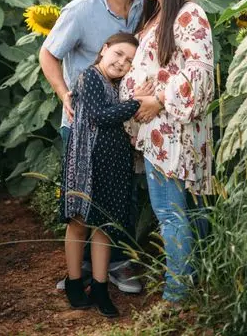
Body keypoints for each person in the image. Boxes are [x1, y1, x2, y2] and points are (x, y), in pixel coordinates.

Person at [39, 0, 145, 294]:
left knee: (118, 193)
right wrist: (64, 94)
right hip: (85, 123)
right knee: (83, 198)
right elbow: (48, 54)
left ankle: (113, 265)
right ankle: (80, 270)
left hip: (125, 122)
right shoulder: (81, 11)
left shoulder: (143, 2)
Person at [119, 0, 215, 303]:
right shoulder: (160, 14)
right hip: (158, 130)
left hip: (172, 131)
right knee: (182, 209)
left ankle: (178, 293)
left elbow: (199, 78)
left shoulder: (189, 16)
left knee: (171, 212)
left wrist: (157, 98)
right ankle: (197, 281)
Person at [59, 33, 154, 317]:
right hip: (86, 165)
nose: (122, 62)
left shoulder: (115, 85)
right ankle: (75, 283)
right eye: (118, 54)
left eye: (129, 61)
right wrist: (138, 102)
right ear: (104, 49)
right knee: (79, 223)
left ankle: (100, 287)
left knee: (104, 227)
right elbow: (100, 116)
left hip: (111, 165)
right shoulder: (89, 77)